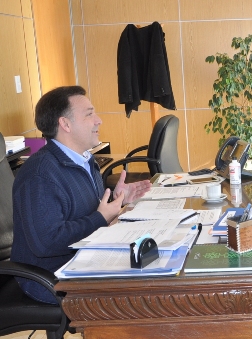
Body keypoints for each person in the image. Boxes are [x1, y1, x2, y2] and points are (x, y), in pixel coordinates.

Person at [12, 86, 152, 304]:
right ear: (65, 124)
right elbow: (46, 243)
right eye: (89, 114)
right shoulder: (40, 175)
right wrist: (101, 218)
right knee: (139, 296)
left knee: (152, 267)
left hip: (84, 258)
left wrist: (117, 199)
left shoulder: (85, 159)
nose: (98, 120)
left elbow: (85, 210)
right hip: (49, 277)